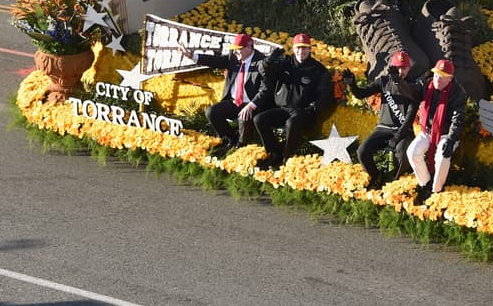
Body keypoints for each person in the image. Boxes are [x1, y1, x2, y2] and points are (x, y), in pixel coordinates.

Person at [178, 33, 267, 158]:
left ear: (249, 47)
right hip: (235, 101)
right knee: (212, 112)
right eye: (234, 50)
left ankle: (241, 148)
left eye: (238, 49)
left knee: (244, 117)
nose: (235, 53)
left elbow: (265, 89)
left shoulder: (262, 62)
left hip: (252, 104)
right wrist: (192, 56)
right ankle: (230, 140)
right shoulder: (234, 57)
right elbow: (216, 61)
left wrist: (252, 105)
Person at [252, 33, 334, 170]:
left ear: (310, 50)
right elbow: (264, 72)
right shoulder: (284, 62)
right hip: (283, 108)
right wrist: (268, 61)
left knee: (292, 123)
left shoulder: (318, 70)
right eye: (298, 48)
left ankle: (287, 156)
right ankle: (274, 153)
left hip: (304, 112)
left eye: (305, 48)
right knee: (259, 119)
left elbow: (325, 95)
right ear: (293, 48)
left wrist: (313, 107)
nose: (301, 51)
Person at [346, 50, 421, 190]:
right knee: (362, 151)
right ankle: (376, 177)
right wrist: (352, 85)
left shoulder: (414, 86)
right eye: (397, 67)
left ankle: (394, 184)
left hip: (403, 132)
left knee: (402, 154)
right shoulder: (383, 81)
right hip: (383, 129)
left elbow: (409, 118)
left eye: (403, 67)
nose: (400, 71)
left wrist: (398, 137)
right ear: (391, 67)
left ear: (409, 68)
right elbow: (361, 94)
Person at [408, 59, 467, 205]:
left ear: (450, 78)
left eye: (442, 76)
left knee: (442, 157)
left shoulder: (458, 93)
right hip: (427, 131)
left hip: (446, 134)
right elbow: (411, 92)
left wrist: (451, 140)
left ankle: (436, 190)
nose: (437, 79)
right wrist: (398, 83)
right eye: (436, 75)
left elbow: (457, 120)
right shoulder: (427, 85)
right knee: (412, 152)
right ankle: (426, 184)